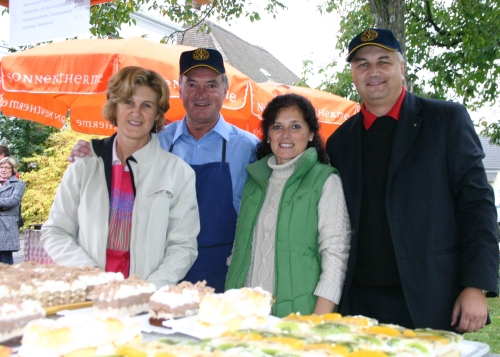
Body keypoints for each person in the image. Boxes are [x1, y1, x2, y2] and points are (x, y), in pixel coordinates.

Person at [326, 28, 499, 332]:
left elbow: (477, 205)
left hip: (431, 301)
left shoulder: (446, 120)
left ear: (402, 68)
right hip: (358, 304)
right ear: (353, 73)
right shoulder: (340, 141)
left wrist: (476, 285)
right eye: (362, 64)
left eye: (384, 61)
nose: (373, 71)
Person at [68, 49, 260, 292]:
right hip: (157, 270)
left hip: (223, 271)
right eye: (192, 84)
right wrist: (92, 151)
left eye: (211, 85)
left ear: (225, 90)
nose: (201, 94)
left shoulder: (250, 149)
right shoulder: (153, 141)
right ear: (179, 89)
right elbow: (117, 160)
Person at [42, 66, 200, 288]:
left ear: (157, 114)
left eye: (147, 105)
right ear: (114, 107)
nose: (136, 113)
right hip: (87, 294)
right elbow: (56, 231)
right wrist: (91, 277)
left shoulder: (178, 173)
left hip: (146, 298)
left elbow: (183, 246)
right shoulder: (85, 165)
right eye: (128, 102)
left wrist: (148, 288)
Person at [225, 94, 351, 317]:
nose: (285, 135)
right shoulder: (254, 180)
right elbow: (239, 248)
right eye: (277, 127)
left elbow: (336, 256)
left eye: (295, 126)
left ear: (311, 133)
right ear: (268, 135)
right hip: (244, 314)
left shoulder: (325, 181)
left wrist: (317, 322)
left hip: (300, 317)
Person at [0, 157, 26, 265]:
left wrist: (6, 204)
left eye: (7, 167)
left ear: (13, 170)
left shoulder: (18, 184)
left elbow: (12, 201)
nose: (3, 170)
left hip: (6, 227)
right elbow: (5, 203)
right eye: (1, 167)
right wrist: (3, 206)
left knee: (5, 263)